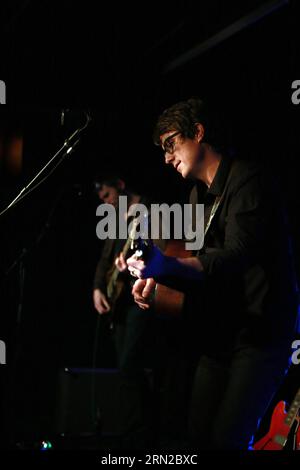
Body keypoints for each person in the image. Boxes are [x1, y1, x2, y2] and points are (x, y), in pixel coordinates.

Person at [126, 97, 299, 450]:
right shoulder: (195, 197)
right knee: (197, 436)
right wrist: (152, 283)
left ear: (198, 132)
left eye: (170, 144)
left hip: (261, 337)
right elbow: (198, 267)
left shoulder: (250, 180)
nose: (166, 157)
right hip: (221, 335)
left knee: (227, 439)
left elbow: (235, 256)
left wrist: (165, 266)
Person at [93, 175, 156, 449]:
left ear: (119, 185)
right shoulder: (115, 217)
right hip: (117, 301)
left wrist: (135, 259)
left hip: (139, 298)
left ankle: (140, 435)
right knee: (124, 367)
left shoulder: (149, 211)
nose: (105, 202)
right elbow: (105, 255)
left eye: (107, 195)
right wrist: (97, 288)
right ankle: (135, 431)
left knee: (131, 363)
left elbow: (153, 247)